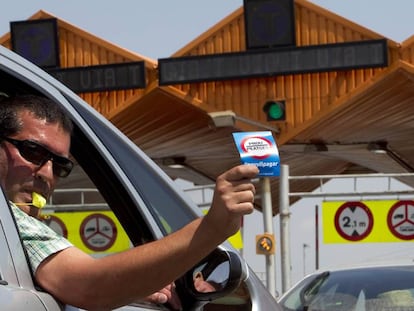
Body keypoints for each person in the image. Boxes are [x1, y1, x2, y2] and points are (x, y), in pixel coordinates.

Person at [0, 94, 259, 310]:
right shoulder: (10, 218)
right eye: (32, 152)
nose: (47, 174)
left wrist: (130, 284)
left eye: (61, 166)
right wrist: (212, 227)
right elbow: (90, 286)